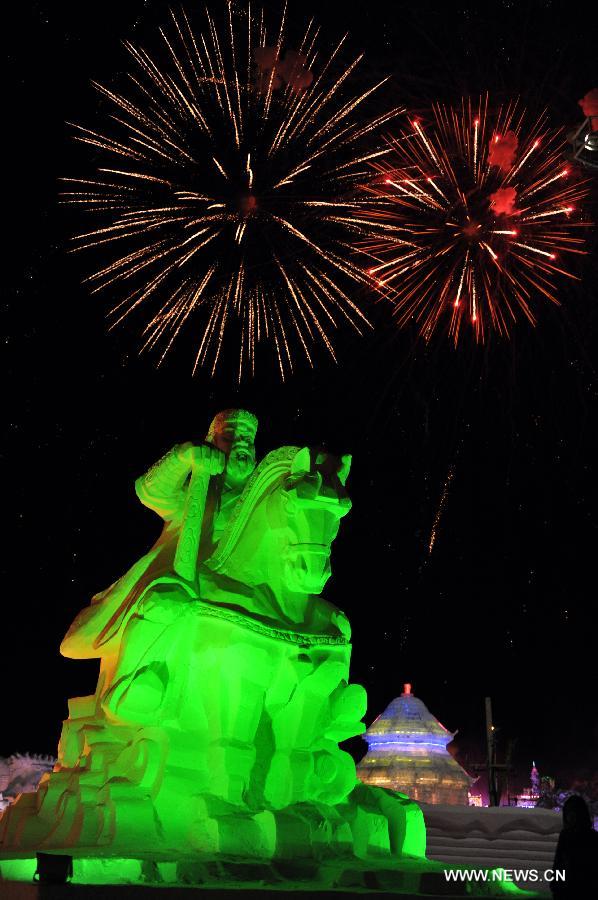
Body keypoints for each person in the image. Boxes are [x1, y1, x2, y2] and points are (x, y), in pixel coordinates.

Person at [61, 408, 258, 660]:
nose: (241, 442)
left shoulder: (262, 497)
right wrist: (183, 456)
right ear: (213, 442)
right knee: (163, 603)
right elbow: (150, 491)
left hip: (243, 580)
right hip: (187, 575)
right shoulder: (197, 489)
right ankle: (135, 676)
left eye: (248, 439)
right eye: (230, 436)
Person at [551, 794, 598, 898]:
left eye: (573, 813)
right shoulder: (565, 835)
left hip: (585, 890)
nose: (570, 817)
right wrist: (555, 884)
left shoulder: (592, 837)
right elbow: (558, 863)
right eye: (568, 813)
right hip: (565, 890)